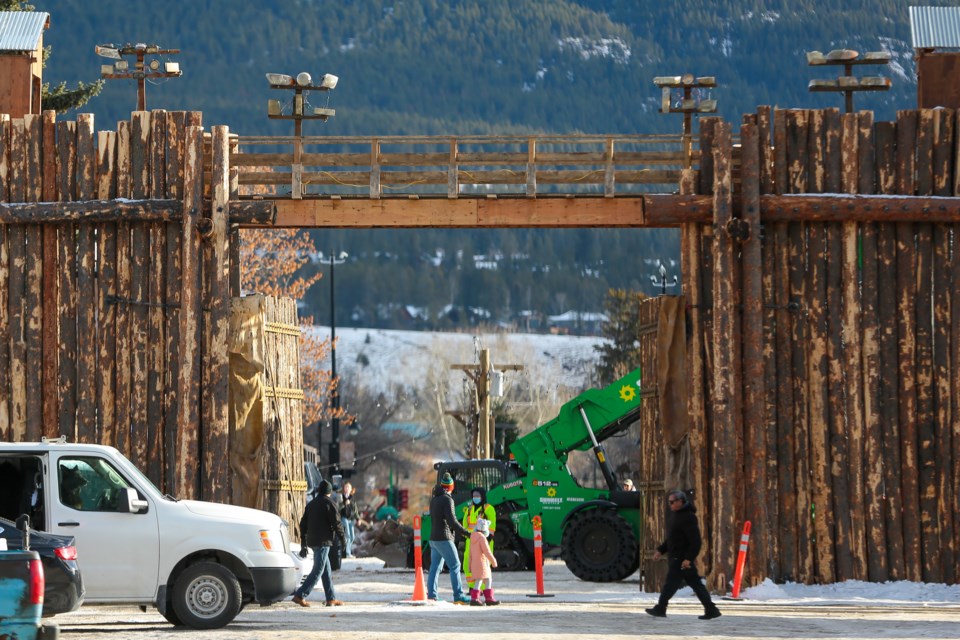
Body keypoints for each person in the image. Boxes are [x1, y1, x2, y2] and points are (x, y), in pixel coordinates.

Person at [645, 490, 721, 620]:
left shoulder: (688, 517)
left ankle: (660, 608)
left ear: (681, 501)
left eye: (672, 502)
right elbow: (672, 538)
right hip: (678, 557)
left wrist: (688, 558)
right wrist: (660, 550)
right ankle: (711, 609)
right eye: (669, 502)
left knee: (671, 584)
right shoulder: (676, 515)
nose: (670, 504)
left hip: (681, 558)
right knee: (695, 584)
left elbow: (695, 541)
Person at [292, 479, 346, 608]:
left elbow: (303, 525)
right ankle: (300, 595)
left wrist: (303, 544)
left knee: (326, 570)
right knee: (318, 570)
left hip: (313, 541)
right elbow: (337, 524)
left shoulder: (311, 505)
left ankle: (331, 598)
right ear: (329, 492)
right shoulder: (330, 504)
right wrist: (343, 539)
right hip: (323, 542)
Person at [427, 472, 471, 604]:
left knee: (435, 567)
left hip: (433, 539)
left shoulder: (434, 499)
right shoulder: (448, 500)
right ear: (451, 487)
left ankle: (432, 595)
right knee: (455, 565)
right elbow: (452, 521)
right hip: (444, 538)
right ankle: (458, 595)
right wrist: (466, 532)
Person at [461, 486, 496, 590]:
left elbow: (492, 526)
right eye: (474, 496)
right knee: (468, 564)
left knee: (483, 565)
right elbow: (464, 525)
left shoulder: (488, 508)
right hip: (470, 541)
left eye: (478, 496)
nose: (475, 498)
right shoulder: (469, 509)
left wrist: (487, 539)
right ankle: (472, 587)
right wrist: (465, 536)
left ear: (482, 496)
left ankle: (483, 589)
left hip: (484, 541)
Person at [468, 518, 499, 606]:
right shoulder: (482, 538)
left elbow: (470, 554)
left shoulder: (472, 537)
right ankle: (480, 598)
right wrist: (494, 561)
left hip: (475, 563)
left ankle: (478, 598)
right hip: (482, 563)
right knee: (484, 579)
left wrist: (470, 566)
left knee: (482, 579)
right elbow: (487, 551)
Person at [339, 482, 359, 558]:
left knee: (353, 537)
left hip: (351, 519)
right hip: (344, 518)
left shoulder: (352, 498)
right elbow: (338, 508)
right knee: (348, 535)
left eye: (348, 487)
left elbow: (355, 509)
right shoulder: (341, 497)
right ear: (344, 488)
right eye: (346, 487)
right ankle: (347, 553)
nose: (347, 488)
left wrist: (358, 518)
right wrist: (344, 503)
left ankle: (349, 552)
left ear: (351, 489)